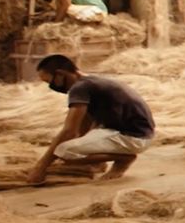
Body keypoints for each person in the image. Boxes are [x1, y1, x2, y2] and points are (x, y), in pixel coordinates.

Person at [26, 54, 156, 184]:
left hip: (133, 137)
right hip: (137, 133)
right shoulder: (91, 81)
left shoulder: (79, 88)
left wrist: (41, 167)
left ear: (60, 74)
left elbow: (69, 131)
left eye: (50, 82)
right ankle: (100, 162)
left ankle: (124, 158)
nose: (51, 87)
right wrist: (83, 150)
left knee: (63, 151)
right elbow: (85, 122)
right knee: (69, 151)